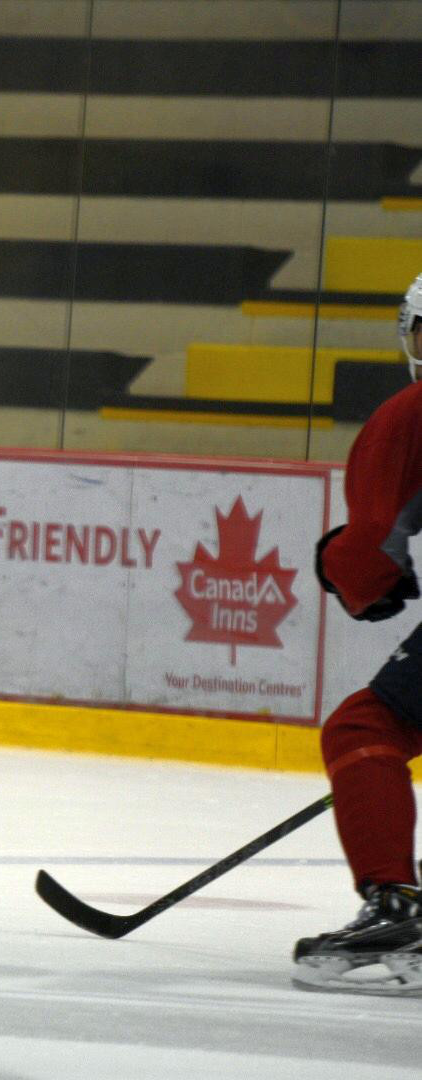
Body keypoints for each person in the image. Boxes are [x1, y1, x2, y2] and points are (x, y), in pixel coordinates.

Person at [296, 270, 422, 994]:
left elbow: (370, 550)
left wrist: (351, 575)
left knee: (364, 729)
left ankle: (395, 908)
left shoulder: (412, 414)